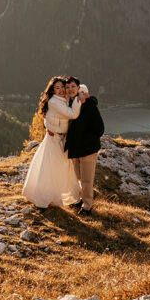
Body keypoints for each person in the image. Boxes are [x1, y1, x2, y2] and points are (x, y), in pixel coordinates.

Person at [22, 76, 81, 208]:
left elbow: (50, 117)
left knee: (58, 167)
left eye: (62, 87)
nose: (61, 90)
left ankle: (58, 196)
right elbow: (72, 114)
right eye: (57, 88)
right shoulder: (55, 102)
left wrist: (81, 91)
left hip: (60, 138)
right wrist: (78, 99)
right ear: (53, 90)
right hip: (54, 139)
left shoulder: (63, 100)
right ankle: (46, 197)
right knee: (52, 168)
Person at [64, 78, 104, 215]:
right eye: (67, 87)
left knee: (87, 180)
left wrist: (85, 140)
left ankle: (87, 207)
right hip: (75, 149)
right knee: (79, 178)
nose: (70, 89)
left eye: (72, 86)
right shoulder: (70, 103)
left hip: (87, 149)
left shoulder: (88, 105)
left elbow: (99, 129)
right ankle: (81, 199)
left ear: (78, 88)